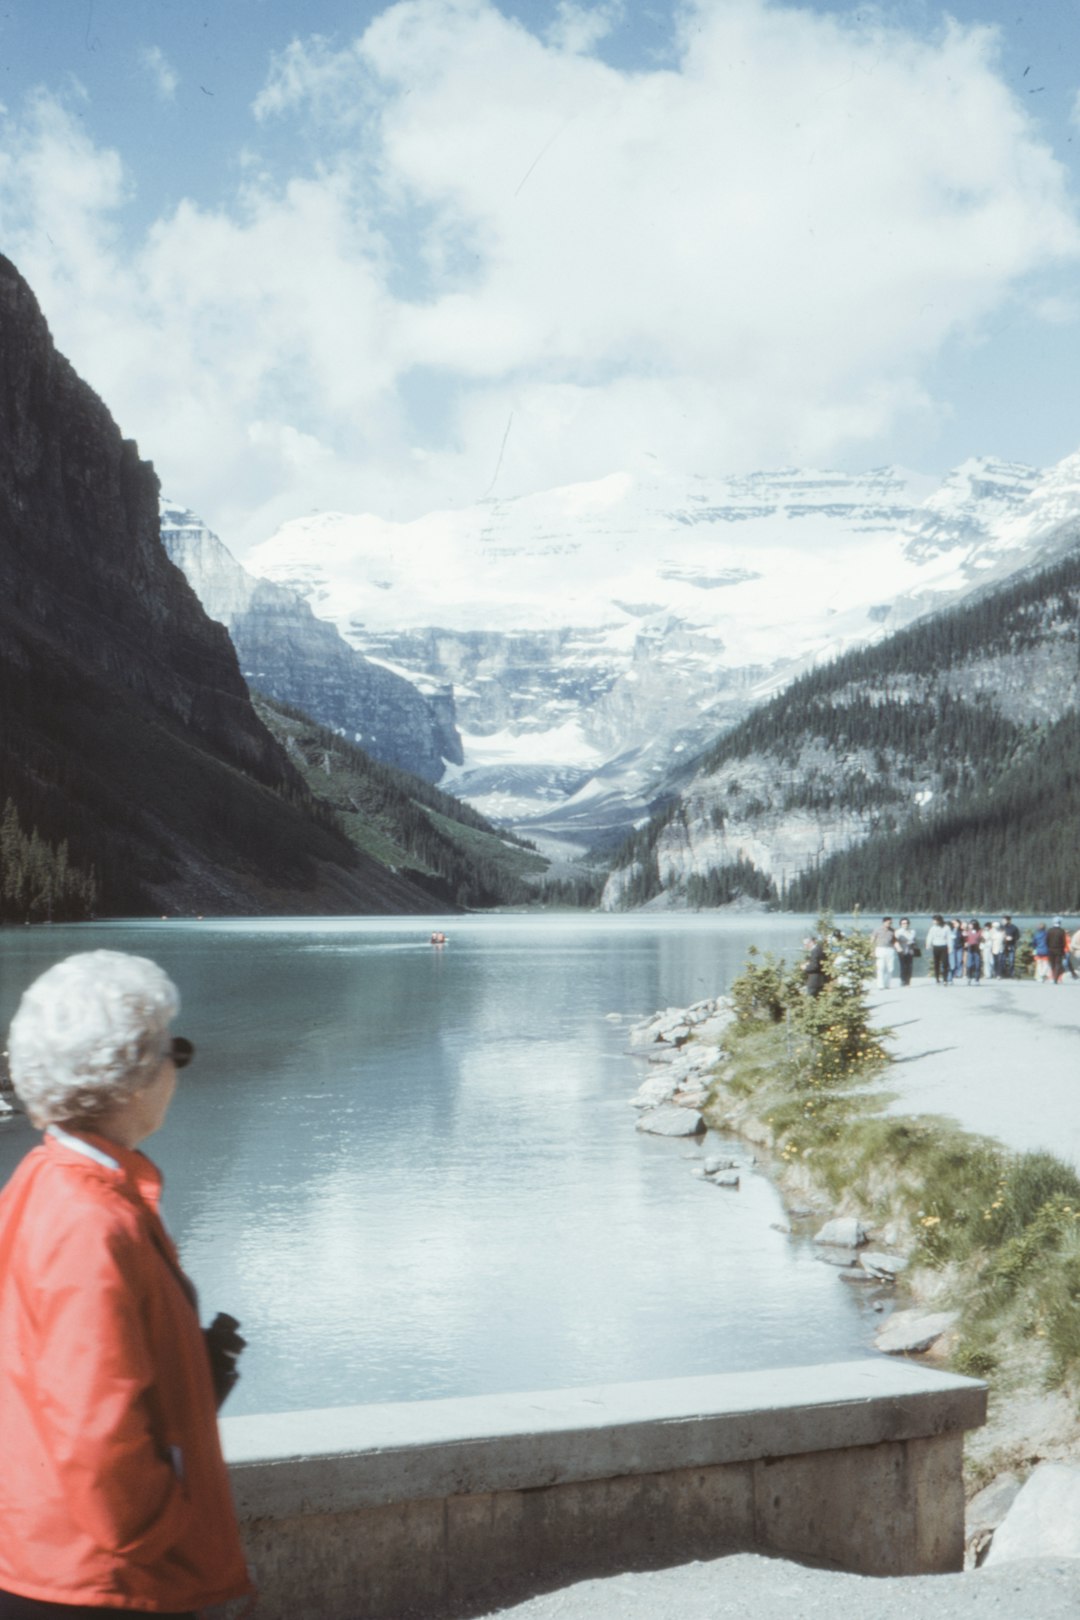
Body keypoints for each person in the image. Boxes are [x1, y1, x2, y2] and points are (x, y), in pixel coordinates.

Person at [0, 951, 252, 1618]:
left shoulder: (44, 1178)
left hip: (58, 1559)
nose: (178, 1069)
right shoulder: (91, 1219)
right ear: (132, 1078)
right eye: (175, 1051)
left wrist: (184, 1370)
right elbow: (94, 1430)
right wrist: (164, 1530)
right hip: (105, 1583)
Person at [925, 915, 952, 985]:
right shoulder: (932, 928)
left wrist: (950, 947)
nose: (933, 922)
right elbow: (929, 936)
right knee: (936, 963)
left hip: (944, 946)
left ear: (939, 920)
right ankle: (937, 978)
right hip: (936, 946)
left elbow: (949, 937)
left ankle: (945, 979)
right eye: (933, 920)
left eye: (935, 920)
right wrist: (928, 944)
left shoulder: (946, 927)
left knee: (945, 963)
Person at [871, 917, 897, 989]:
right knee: (880, 967)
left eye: (891, 923)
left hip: (890, 950)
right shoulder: (877, 930)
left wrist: (898, 949)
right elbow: (872, 940)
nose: (890, 924)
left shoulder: (893, 930)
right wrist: (871, 950)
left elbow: (894, 941)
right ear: (884, 922)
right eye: (888, 923)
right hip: (880, 949)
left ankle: (887, 984)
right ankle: (880, 985)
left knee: (890, 968)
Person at [894, 917, 917, 987]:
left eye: (906, 923)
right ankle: (903, 980)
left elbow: (914, 940)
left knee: (909, 966)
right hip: (901, 950)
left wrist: (912, 943)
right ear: (900, 924)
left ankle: (908, 981)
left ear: (908, 924)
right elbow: (895, 941)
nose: (905, 924)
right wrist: (898, 948)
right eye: (903, 923)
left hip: (910, 950)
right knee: (903, 966)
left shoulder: (912, 931)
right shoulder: (898, 932)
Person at [1047, 917, 1068, 984]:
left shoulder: (1050, 930)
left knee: (1052, 964)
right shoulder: (1061, 931)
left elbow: (1046, 940)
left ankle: (1054, 976)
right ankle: (1056, 978)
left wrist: (1048, 947)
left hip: (1051, 949)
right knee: (1058, 964)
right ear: (1060, 923)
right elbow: (1064, 942)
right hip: (1059, 950)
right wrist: (1063, 948)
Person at [964, 919, 983, 984]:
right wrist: (965, 942)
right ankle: (969, 978)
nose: (969, 925)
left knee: (977, 964)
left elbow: (982, 939)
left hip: (977, 949)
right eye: (969, 924)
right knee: (969, 964)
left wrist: (981, 944)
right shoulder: (967, 931)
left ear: (974, 925)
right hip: (970, 948)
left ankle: (977, 979)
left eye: (971, 924)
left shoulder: (980, 931)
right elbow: (965, 939)